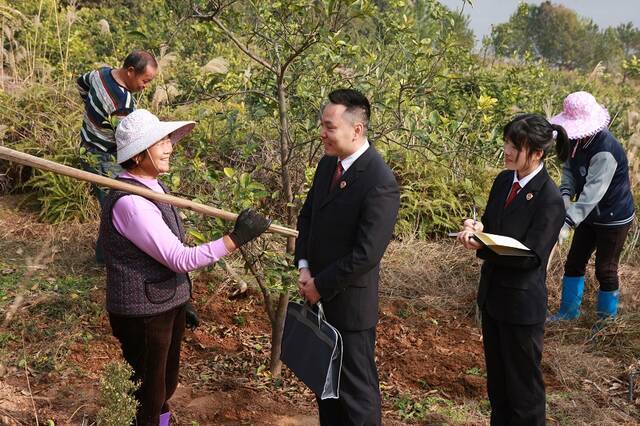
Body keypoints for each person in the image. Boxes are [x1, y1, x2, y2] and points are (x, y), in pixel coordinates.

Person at [100, 109, 271, 426]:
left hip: (164, 302)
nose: (170, 147)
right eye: (161, 141)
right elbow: (178, 257)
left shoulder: (152, 186)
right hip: (144, 312)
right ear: (138, 155)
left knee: (164, 386)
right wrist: (235, 239)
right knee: (148, 395)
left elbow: (162, 255)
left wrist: (181, 296)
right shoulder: (131, 202)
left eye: (168, 140)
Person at [295, 89, 400, 426]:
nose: (322, 133)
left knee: (357, 395)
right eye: (322, 126)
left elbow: (366, 253)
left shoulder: (379, 181)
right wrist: (304, 267)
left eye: (329, 127)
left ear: (356, 130)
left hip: (349, 307)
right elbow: (307, 218)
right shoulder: (328, 166)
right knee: (327, 392)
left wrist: (320, 285)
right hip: (319, 296)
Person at [457, 114, 568, 425]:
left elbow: (531, 257)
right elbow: (493, 224)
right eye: (506, 142)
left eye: (514, 146)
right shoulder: (504, 180)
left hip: (521, 306)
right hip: (493, 298)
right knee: (499, 388)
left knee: (524, 393)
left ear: (537, 153)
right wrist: (478, 228)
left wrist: (485, 245)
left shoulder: (549, 199)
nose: (506, 150)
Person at [547, 91, 635, 322]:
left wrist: (566, 222)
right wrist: (564, 196)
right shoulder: (574, 141)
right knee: (574, 262)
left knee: (605, 270)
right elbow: (568, 172)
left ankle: (606, 323)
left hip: (613, 216)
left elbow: (592, 194)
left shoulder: (605, 151)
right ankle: (568, 312)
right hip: (588, 215)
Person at [77, 50, 158, 262]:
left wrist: (91, 110)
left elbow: (81, 82)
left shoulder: (101, 74)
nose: (145, 86)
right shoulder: (123, 102)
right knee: (115, 208)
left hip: (86, 146)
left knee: (111, 205)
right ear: (131, 71)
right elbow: (128, 142)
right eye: (145, 80)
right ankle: (108, 260)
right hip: (103, 158)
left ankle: (109, 257)